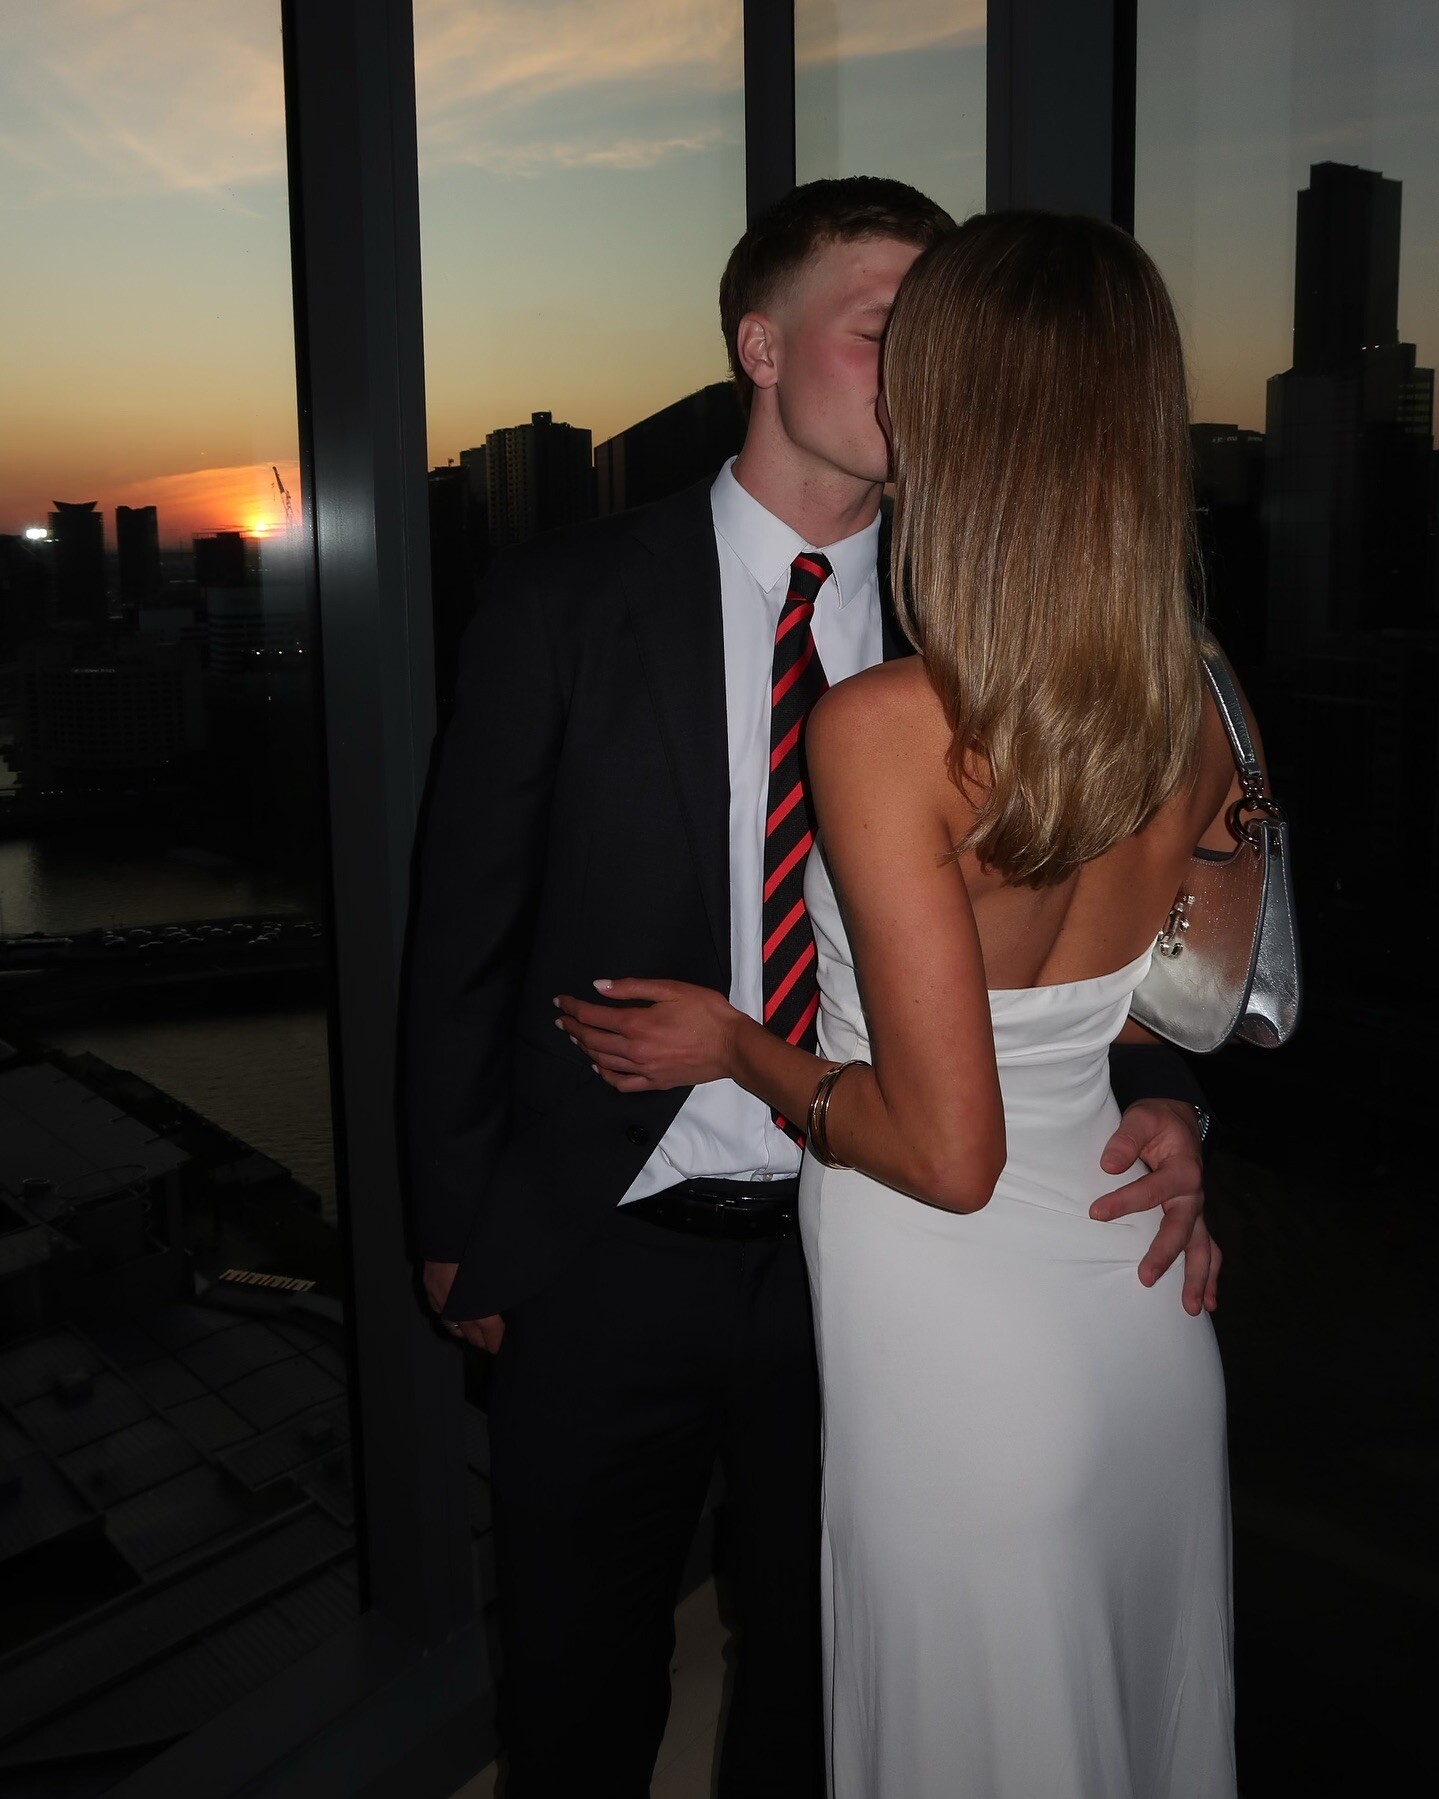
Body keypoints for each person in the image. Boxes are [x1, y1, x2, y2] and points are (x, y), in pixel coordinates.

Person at [405, 181, 1218, 1798]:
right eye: (886, 330)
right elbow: (460, 935)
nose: (924, 373)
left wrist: (1164, 1096)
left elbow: (1100, 902)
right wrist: (457, 1223)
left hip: (870, 1255)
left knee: (821, 1685)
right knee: (577, 1690)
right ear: (760, 347)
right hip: (607, 1241)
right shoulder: (565, 596)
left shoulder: (978, 615)